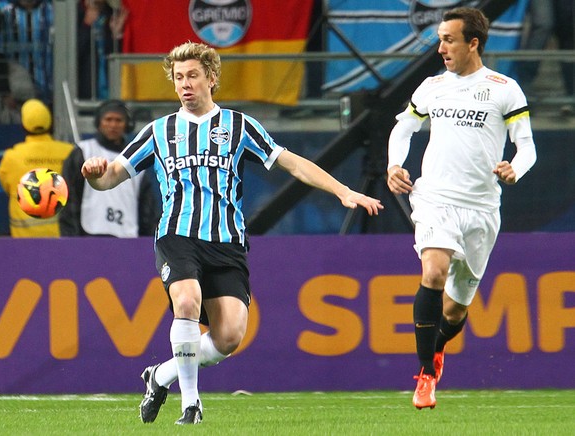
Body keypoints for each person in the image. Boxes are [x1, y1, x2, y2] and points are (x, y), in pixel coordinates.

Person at [81, 41, 383, 425]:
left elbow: (292, 164)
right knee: (187, 302)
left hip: (227, 242)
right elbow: (110, 179)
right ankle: (191, 404)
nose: (185, 84)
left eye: (192, 76)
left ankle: (161, 376)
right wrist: (95, 175)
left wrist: (342, 189)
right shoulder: (159, 131)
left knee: (229, 337)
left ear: (211, 77)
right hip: (177, 234)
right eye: (178, 78)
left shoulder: (239, 126)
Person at [386, 7, 537, 410]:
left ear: (473, 42)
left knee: (454, 311)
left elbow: (527, 148)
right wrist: (394, 165)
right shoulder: (433, 86)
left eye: (449, 40)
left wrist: (514, 168)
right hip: (435, 197)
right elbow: (404, 128)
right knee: (433, 271)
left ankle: (437, 349)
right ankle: (425, 376)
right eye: (439, 40)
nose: (441, 49)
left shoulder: (504, 88)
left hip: (482, 209)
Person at [59, 99, 157, 237]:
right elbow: (69, 197)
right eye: (108, 119)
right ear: (99, 122)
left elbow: (146, 207)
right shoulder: (83, 151)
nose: (113, 125)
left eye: (118, 120)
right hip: (88, 235)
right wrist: (71, 237)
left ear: (127, 124)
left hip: (127, 238)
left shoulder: (135, 157)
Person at [0, 98, 74, 237]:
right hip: (64, 234)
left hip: (25, 236)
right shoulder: (70, 151)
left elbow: (7, 187)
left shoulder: (12, 156)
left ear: (24, 125)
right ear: (51, 123)